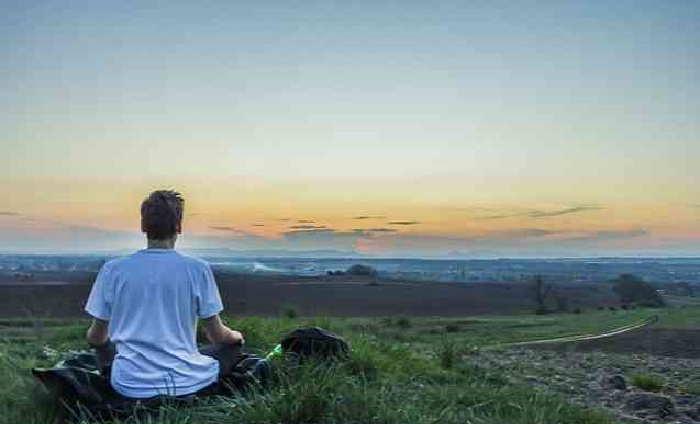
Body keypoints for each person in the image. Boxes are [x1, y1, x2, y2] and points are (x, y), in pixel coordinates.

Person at [84, 190, 244, 399]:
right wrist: (236, 336)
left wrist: (106, 346)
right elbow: (217, 336)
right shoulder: (198, 269)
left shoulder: (113, 270)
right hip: (187, 383)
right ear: (179, 226)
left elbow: (96, 337)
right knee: (231, 348)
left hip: (129, 385)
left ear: (143, 227)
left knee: (104, 347)